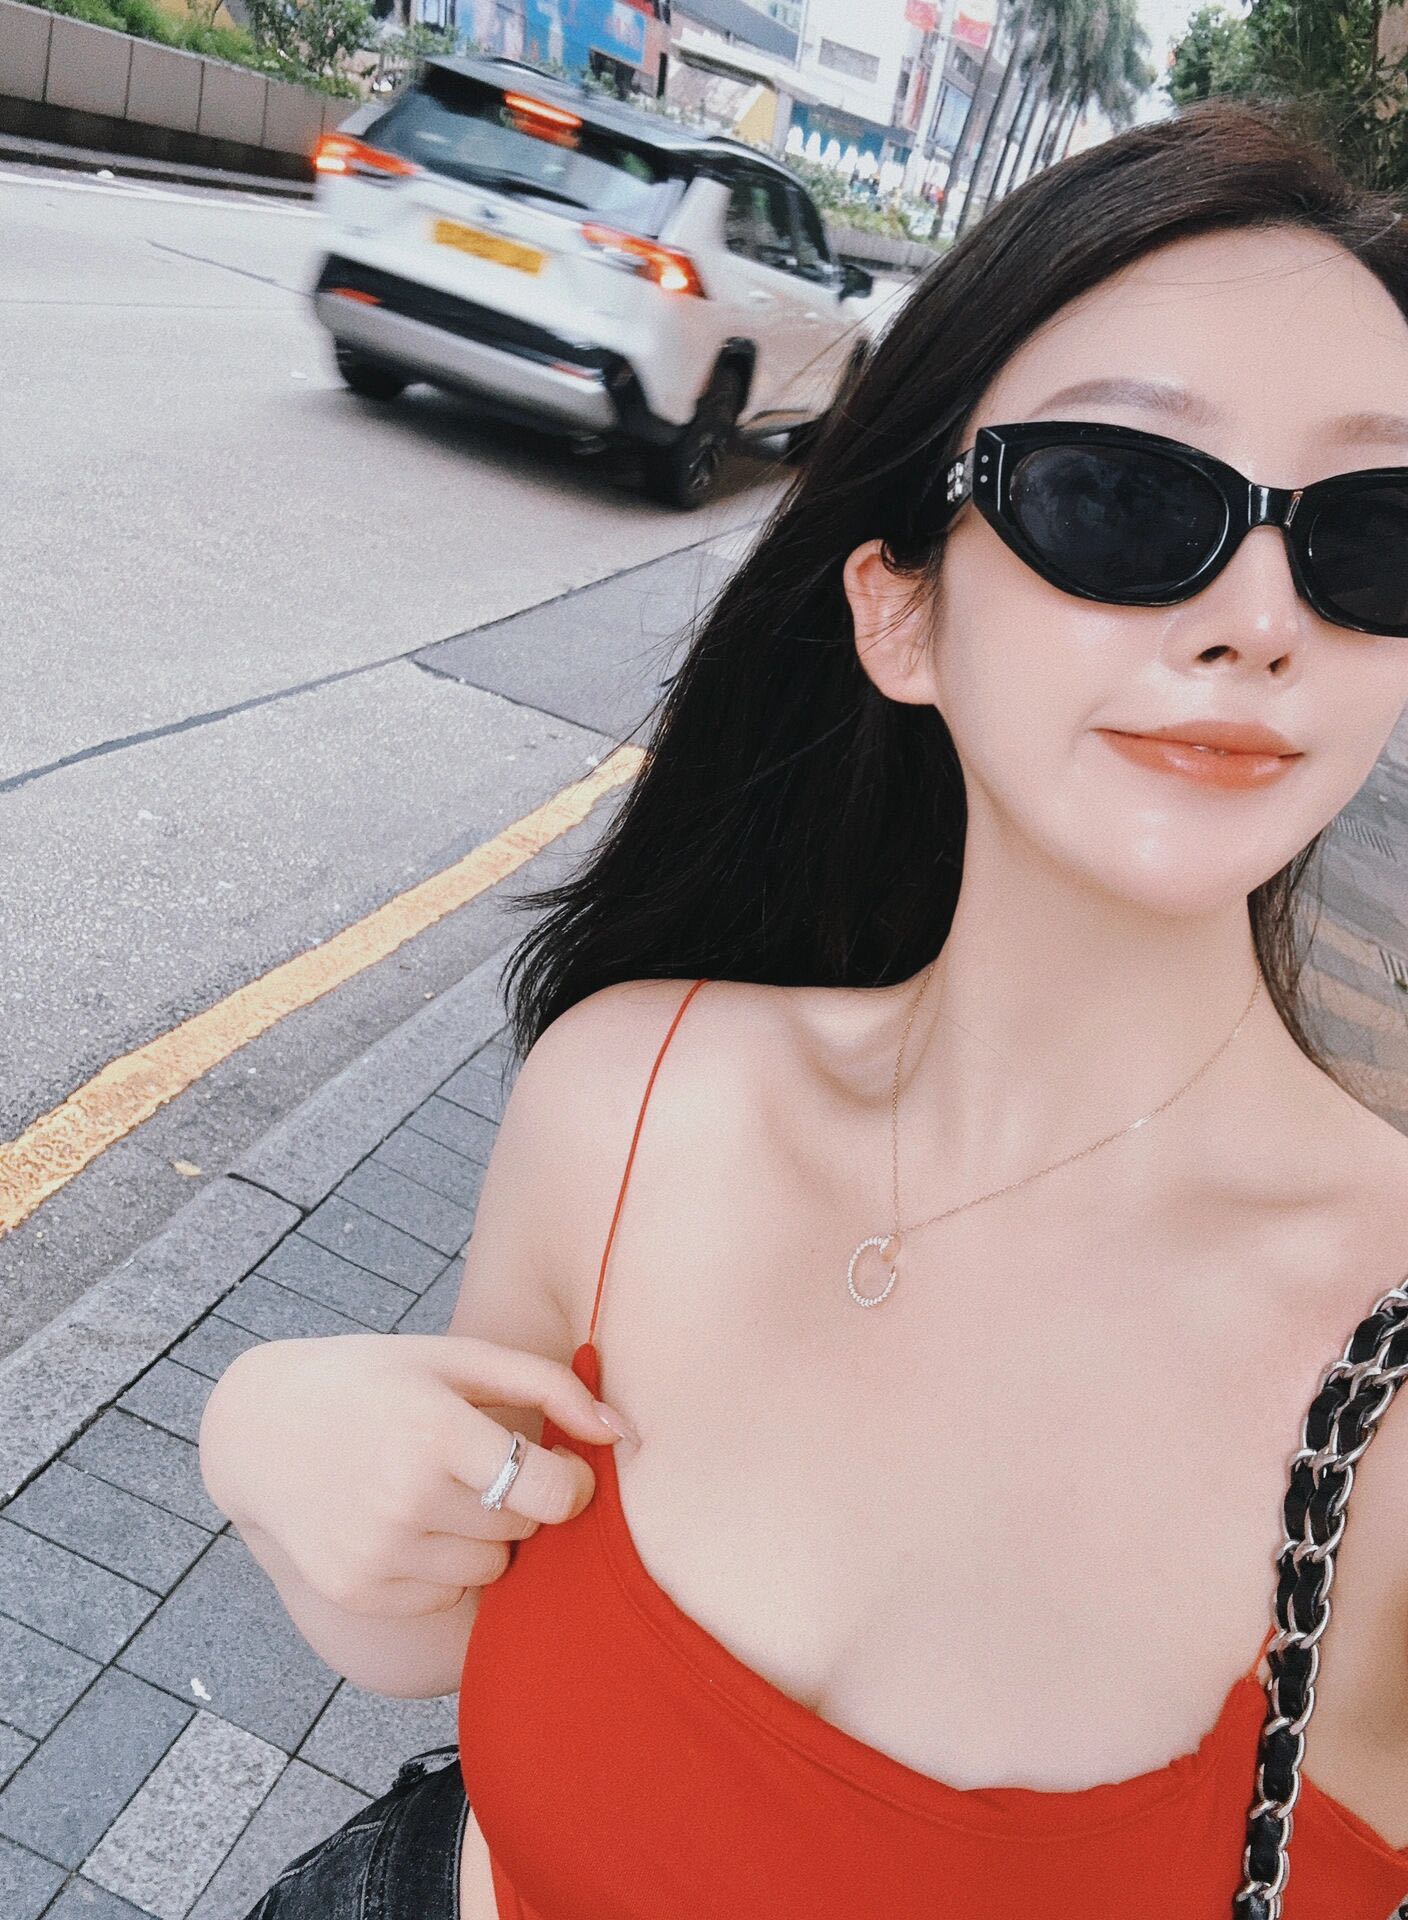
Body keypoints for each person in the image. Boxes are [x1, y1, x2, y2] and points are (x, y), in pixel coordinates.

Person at [202, 95, 1408, 1920]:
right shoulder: (631, 1094)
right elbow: (439, 1629)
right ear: (900, 612)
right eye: (1122, 495)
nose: (1260, 619)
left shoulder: (1386, 1378)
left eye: (1373, 534)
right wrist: (265, 1433)